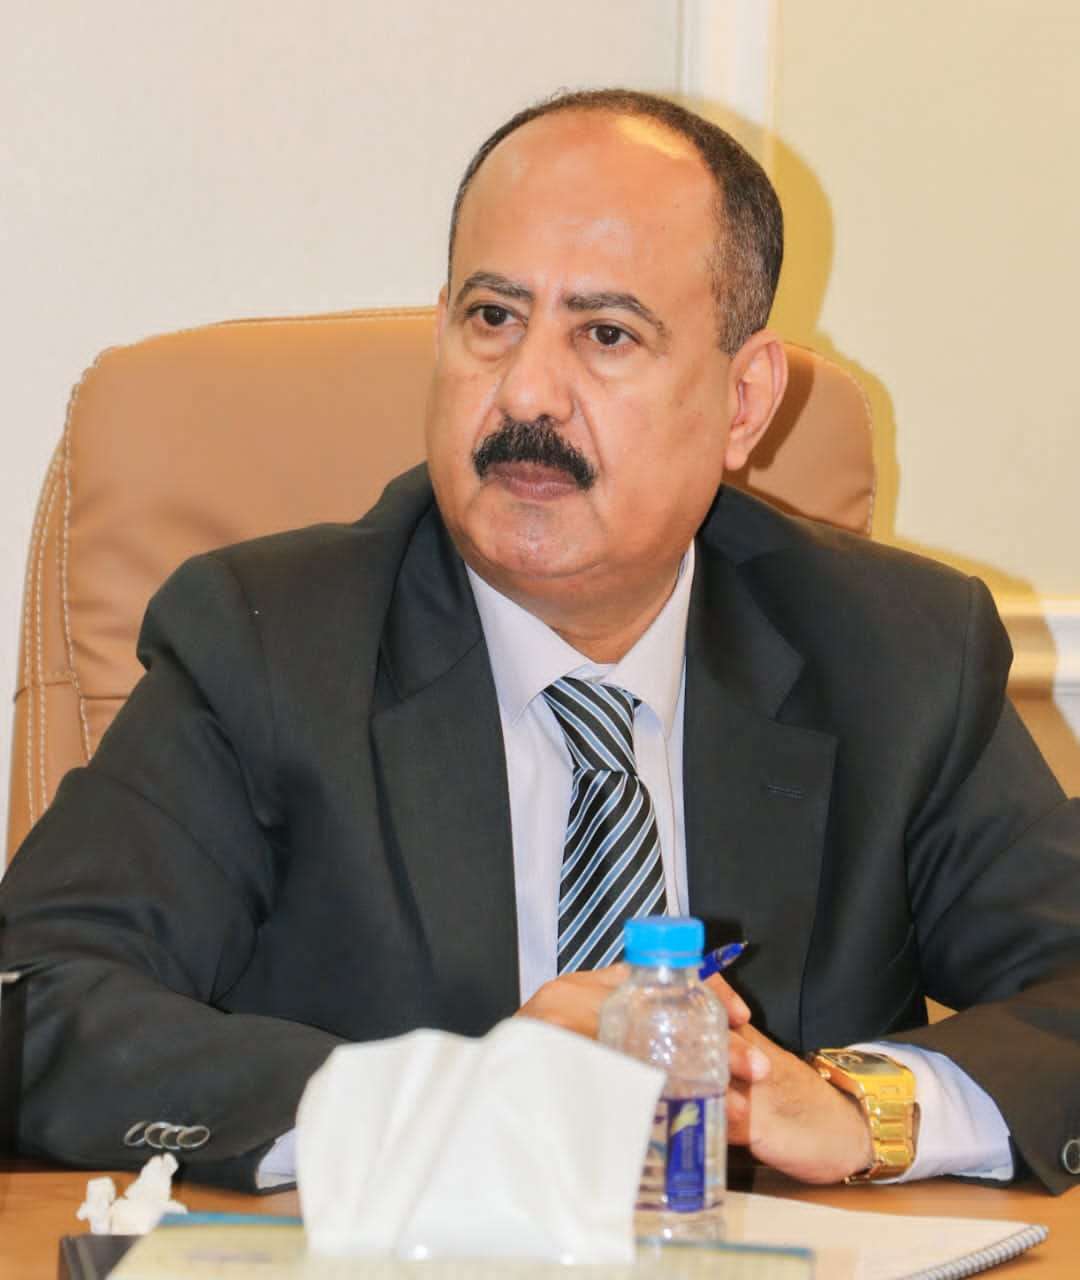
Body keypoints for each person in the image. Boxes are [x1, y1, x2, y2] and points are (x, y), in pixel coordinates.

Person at [1, 89, 1078, 1195]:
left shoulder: (899, 654)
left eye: (606, 334)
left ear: (744, 402)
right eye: (492, 318)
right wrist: (443, 1107)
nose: (525, 391)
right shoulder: (266, 644)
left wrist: (863, 1107)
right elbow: (33, 997)